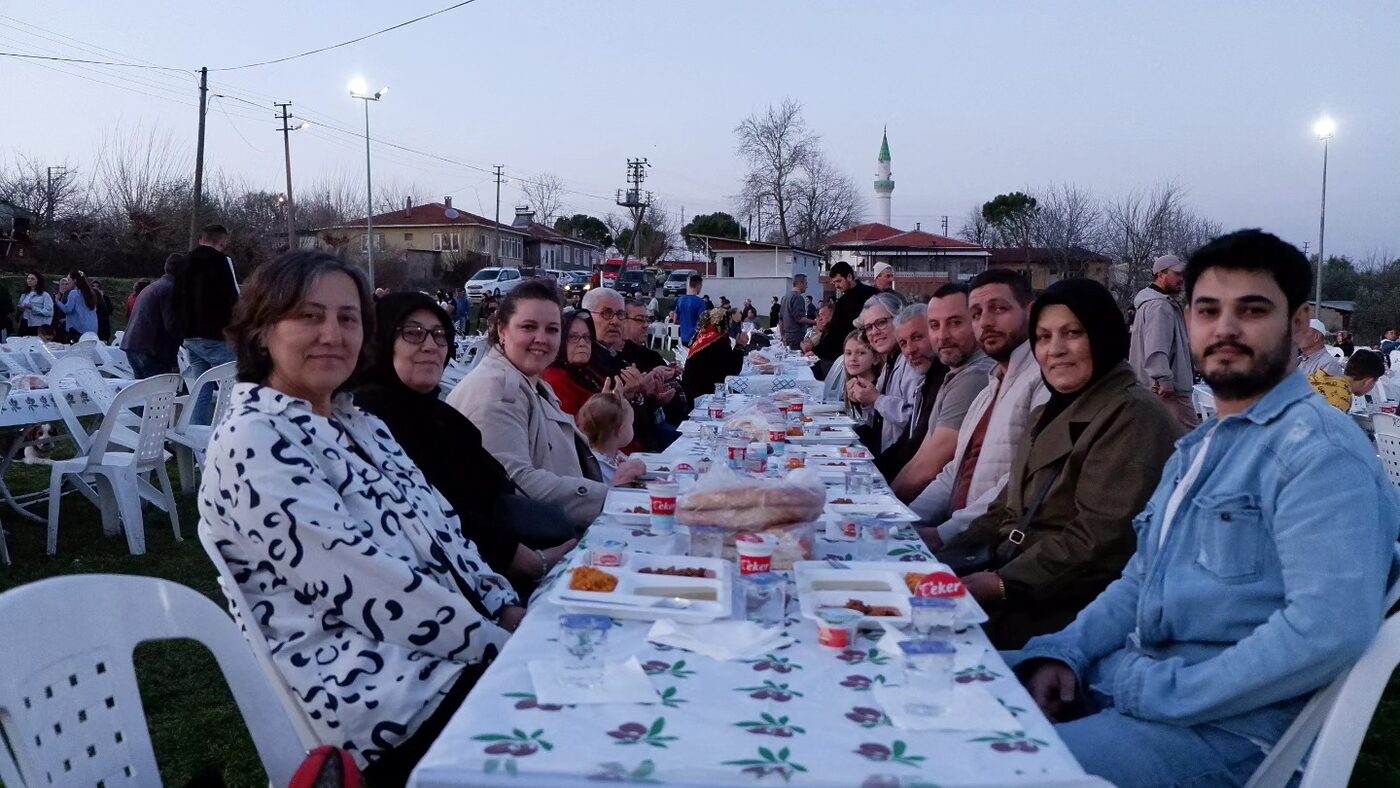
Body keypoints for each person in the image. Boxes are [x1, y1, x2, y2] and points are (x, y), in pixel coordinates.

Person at [1009, 229, 1399, 788]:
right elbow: (1138, 582)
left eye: (1253, 309)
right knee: (928, 683)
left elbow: (1325, 627)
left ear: (1297, 323)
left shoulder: (1319, 455)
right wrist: (1062, 654)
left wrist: (1160, 691)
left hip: (1228, 739)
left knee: (962, 760)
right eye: (1208, 310)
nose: (1225, 328)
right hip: (1129, 691)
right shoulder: (1203, 446)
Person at [198, 251, 526, 783]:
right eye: (309, 316)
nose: (332, 333)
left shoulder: (361, 423)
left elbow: (445, 531)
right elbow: (366, 585)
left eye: (347, 318)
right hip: (383, 698)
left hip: (456, 656)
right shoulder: (256, 438)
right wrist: (504, 648)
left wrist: (505, 606)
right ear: (261, 333)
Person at [938, 279, 1180, 649]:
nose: (1056, 350)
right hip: (1014, 580)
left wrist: (1003, 583)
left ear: (1102, 335)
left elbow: (1097, 540)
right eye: (1044, 337)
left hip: (1065, 610)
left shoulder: (1133, 416)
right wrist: (940, 552)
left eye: (1073, 334)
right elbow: (1006, 507)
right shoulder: (1049, 411)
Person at [354, 291, 577, 589]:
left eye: (439, 334)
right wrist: (532, 562)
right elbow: (433, 514)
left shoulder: (441, 416)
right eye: (413, 333)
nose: (431, 346)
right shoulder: (368, 418)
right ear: (382, 341)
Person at [447, 279, 641, 528]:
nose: (542, 338)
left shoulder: (531, 382)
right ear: (502, 331)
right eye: (528, 327)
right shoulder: (494, 392)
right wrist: (609, 497)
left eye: (552, 329)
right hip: (541, 545)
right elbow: (516, 484)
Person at [912, 269, 1049, 548]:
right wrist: (906, 521)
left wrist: (944, 534)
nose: (985, 322)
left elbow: (1019, 481)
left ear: (1030, 312)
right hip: (959, 538)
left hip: (993, 548)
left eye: (999, 309)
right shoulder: (989, 388)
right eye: (976, 314)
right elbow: (955, 472)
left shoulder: (1044, 381)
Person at [892, 284, 997, 502]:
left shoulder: (974, 377)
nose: (942, 336)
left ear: (977, 322)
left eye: (955, 323)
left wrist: (881, 507)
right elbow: (920, 455)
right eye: (934, 325)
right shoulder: (953, 374)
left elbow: (928, 468)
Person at [875, 303, 948, 480]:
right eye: (903, 343)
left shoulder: (947, 378)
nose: (910, 350)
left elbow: (919, 451)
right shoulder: (928, 379)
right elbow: (908, 440)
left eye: (917, 337)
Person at [177, 223, 240, 424]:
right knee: (238, 388)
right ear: (223, 242)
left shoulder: (183, 262)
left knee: (201, 390)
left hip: (190, 336)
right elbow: (233, 298)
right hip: (215, 335)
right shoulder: (221, 261)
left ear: (200, 239)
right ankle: (237, 435)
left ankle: (198, 439)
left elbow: (176, 297)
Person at [847, 292, 922, 455]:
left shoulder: (913, 362)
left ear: (900, 319)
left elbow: (915, 420)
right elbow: (877, 420)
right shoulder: (890, 361)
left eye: (881, 323)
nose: (874, 332)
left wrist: (876, 399)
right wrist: (865, 400)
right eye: (868, 328)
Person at [1129, 253, 1196, 431]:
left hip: (1154, 386)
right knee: (1190, 440)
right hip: (1168, 388)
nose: (1181, 279)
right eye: (1176, 274)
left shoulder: (1149, 303)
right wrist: (1164, 378)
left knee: (1162, 439)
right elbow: (1156, 345)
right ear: (1161, 274)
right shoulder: (1159, 305)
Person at [121, 254, 183, 378]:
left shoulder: (153, 287)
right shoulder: (171, 289)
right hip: (152, 350)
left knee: (143, 393)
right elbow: (171, 324)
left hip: (133, 344)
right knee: (160, 393)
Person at [813, 261, 878, 378]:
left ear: (849, 276)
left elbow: (836, 331)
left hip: (870, 350)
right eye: (834, 283)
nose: (836, 286)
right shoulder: (842, 302)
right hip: (850, 352)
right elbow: (834, 329)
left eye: (838, 281)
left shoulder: (872, 294)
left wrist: (816, 350)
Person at [541, 310, 611, 417]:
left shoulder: (585, 372)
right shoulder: (555, 381)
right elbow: (570, 430)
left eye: (587, 337)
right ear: (559, 340)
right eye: (573, 337)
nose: (582, 343)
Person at [680, 307, 749, 402]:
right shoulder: (718, 340)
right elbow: (732, 369)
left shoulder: (702, 336)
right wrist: (740, 346)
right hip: (704, 394)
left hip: (690, 390)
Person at [577, 391, 635, 484]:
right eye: (631, 424)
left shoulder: (614, 456)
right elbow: (612, 492)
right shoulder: (597, 467)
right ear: (620, 431)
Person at [840, 329, 882, 424]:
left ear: (875, 358)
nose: (853, 358)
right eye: (848, 353)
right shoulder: (852, 385)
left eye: (861, 353)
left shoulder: (880, 387)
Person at [57, 270, 98, 341]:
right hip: (92, 329)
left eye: (69, 280)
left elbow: (68, 310)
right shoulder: (90, 293)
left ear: (75, 280)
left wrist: (57, 301)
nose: (67, 282)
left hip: (78, 329)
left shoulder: (74, 293)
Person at [779, 274, 815, 350]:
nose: (807, 286)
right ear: (800, 283)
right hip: (796, 336)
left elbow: (781, 319)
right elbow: (800, 318)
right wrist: (815, 322)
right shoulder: (798, 297)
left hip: (787, 335)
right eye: (806, 283)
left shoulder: (785, 297)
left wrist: (782, 335)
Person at [17, 271, 53, 337]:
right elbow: (20, 306)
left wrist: (33, 308)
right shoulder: (25, 294)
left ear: (38, 281)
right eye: (28, 278)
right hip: (24, 322)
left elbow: (49, 312)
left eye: (32, 279)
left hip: (37, 324)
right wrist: (21, 308)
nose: (29, 280)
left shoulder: (44, 295)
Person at [675, 274, 706, 345]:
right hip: (695, 338)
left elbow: (675, 319)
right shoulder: (700, 302)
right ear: (698, 285)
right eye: (701, 286)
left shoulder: (680, 300)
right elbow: (703, 321)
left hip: (683, 337)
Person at [90, 278, 113, 342]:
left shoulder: (106, 298)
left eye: (97, 286)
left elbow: (109, 310)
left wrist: (101, 298)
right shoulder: (89, 299)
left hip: (103, 326)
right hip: (92, 326)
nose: (95, 288)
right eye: (93, 286)